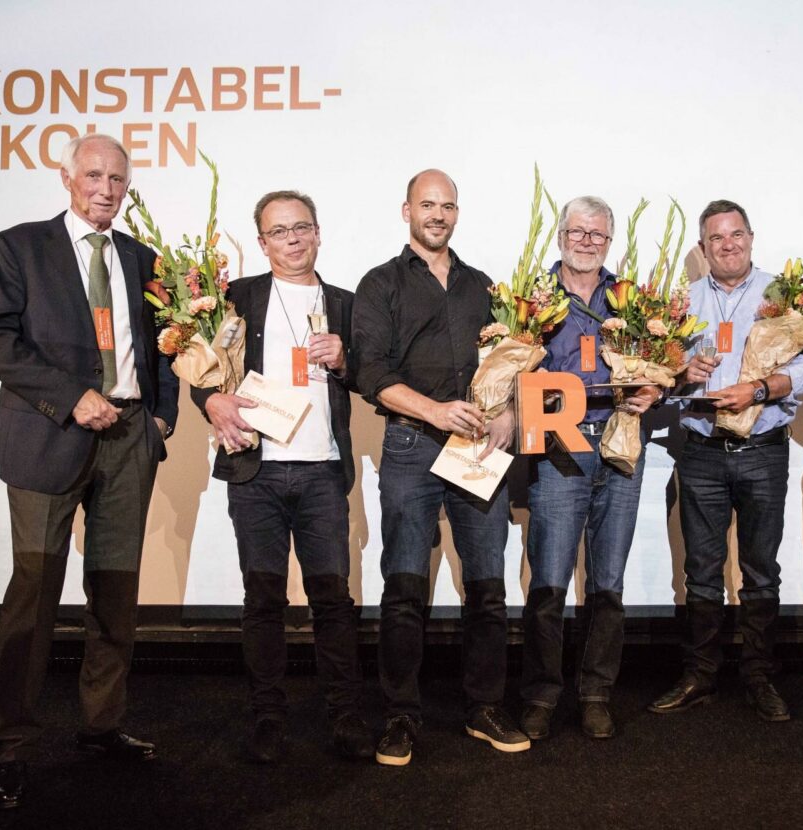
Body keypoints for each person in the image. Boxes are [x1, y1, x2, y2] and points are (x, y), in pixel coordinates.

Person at [0, 134, 180, 810]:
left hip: (129, 442)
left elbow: (169, 345)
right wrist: (68, 395)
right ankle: (11, 746)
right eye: (93, 174)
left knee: (115, 595)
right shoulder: (18, 246)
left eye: (118, 178)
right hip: (48, 436)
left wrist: (162, 418)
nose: (106, 188)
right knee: (32, 597)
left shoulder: (145, 259)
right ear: (65, 177)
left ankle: (103, 724)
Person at [351, 169, 528, 766]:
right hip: (410, 447)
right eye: (427, 205)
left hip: (480, 448)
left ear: (458, 212)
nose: (438, 215)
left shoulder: (483, 286)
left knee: (487, 589)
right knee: (404, 589)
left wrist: (506, 417)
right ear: (406, 211)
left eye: (447, 205)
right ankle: (401, 714)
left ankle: (483, 708)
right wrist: (435, 411)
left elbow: (514, 366)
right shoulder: (380, 285)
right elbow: (369, 373)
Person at [192, 190, 374, 764]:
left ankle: (344, 714)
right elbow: (197, 363)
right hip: (256, 471)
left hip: (322, 472)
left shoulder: (345, 303)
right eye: (279, 231)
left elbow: (374, 376)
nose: (292, 239)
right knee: (263, 598)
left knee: (332, 600)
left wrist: (345, 359)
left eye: (302, 227)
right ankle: (268, 716)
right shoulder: (235, 298)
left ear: (318, 233)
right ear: (262, 241)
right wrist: (208, 401)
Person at [646, 200, 803, 723]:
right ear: (702, 248)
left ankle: (760, 676)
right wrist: (680, 376)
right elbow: (656, 378)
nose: (728, 245)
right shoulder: (680, 303)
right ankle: (700, 675)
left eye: (736, 234)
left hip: (763, 451)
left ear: (751, 237)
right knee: (701, 573)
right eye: (716, 238)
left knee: (760, 573)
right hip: (700, 453)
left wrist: (761, 389)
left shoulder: (783, 296)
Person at [518, 196, 662, 741]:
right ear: (560, 235)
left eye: (597, 235)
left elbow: (661, 368)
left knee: (608, 581)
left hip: (622, 441)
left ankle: (596, 693)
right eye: (577, 231)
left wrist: (655, 386)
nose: (586, 241)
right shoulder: (532, 301)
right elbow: (509, 374)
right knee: (550, 580)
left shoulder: (633, 301)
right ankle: (540, 695)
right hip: (560, 445)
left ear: (609, 241)